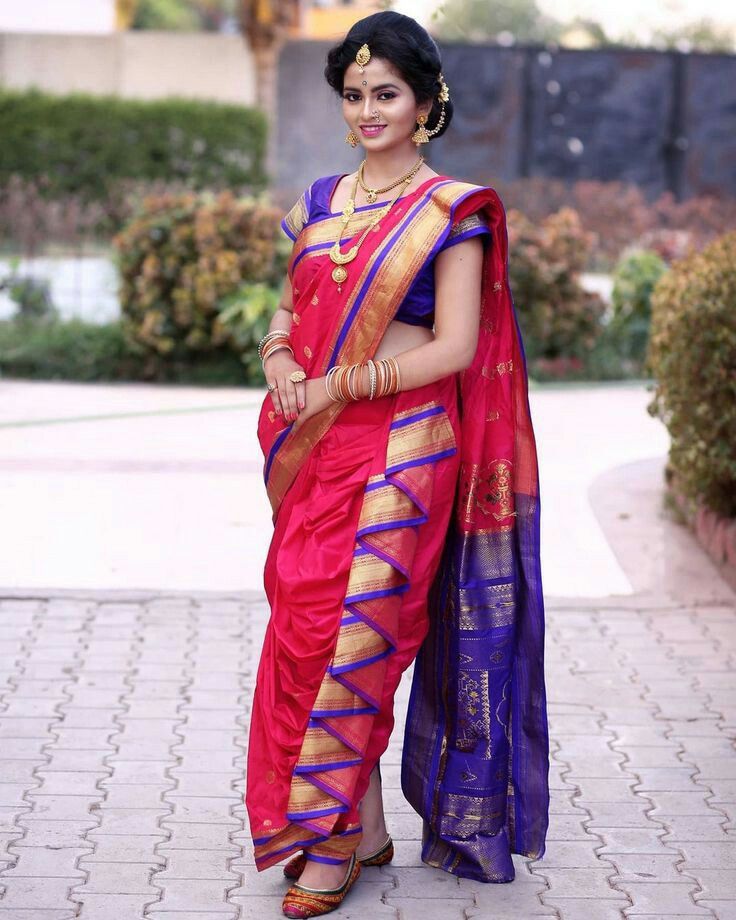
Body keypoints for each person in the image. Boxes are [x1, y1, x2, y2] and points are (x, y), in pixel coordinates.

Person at [245, 11, 549, 918]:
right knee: (302, 624)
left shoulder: (450, 212)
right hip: (315, 445)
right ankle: (363, 822)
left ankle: (331, 840)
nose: (368, 109)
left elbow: (455, 347)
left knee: (362, 634)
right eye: (354, 94)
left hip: (406, 449)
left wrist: (351, 377)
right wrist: (282, 362)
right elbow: (288, 310)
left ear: (425, 103)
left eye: (387, 94)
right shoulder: (318, 203)